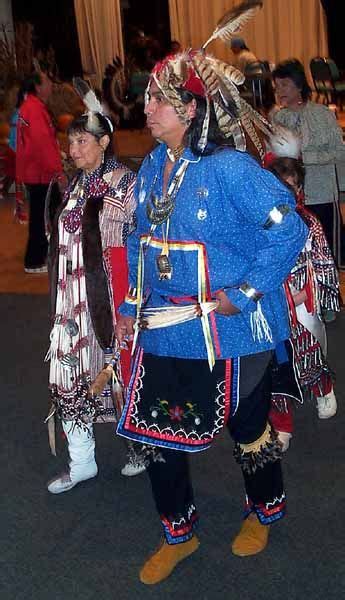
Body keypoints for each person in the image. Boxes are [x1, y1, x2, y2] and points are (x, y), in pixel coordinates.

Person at [115, 47, 307, 585]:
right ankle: (179, 532)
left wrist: (245, 291)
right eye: (149, 98)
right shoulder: (153, 166)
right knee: (157, 433)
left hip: (233, 329)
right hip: (167, 328)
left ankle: (264, 510)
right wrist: (131, 305)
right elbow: (139, 241)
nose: (147, 108)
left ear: (191, 111)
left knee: (247, 427)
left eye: (159, 100)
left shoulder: (232, 170)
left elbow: (288, 231)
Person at [46, 91, 145, 494]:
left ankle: (137, 448)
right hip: (71, 303)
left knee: (116, 372)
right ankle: (81, 459)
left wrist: (130, 301)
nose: (73, 149)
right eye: (70, 142)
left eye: (81, 140)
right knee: (68, 374)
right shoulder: (73, 185)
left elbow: (136, 245)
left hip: (108, 301)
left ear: (104, 142)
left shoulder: (125, 185)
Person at [266, 155, 339, 451]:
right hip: (269, 304)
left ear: (299, 189)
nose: (285, 190)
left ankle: (323, 388)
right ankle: (282, 423)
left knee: (308, 355)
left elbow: (322, 263)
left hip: (299, 302)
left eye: (291, 185)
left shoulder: (309, 222)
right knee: (274, 365)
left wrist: (313, 295)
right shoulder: (259, 221)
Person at [272, 59, 345, 269]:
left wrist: (305, 158)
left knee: (327, 254)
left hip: (321, 194)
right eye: (277, 87)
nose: (279, 91)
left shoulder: (322, 114)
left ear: (299, 85)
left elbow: (339, 152)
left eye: (284, 85)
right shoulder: (277, 118)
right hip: (291, 200)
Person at [16, 70, 63, 273]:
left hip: (38, 171)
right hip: (41, 173)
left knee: (45, 214)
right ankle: (35, 260)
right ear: (38, 87)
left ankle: (43, 255)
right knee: (42, 217)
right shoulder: (33, 109)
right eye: (47, 82)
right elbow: (42, 144)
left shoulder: (32, 107)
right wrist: (58, 172)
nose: (51, 84)